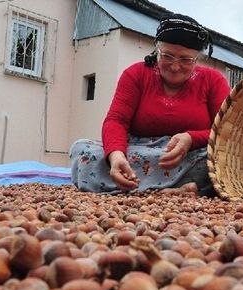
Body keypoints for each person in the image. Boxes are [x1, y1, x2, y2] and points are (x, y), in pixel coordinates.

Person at [69, 13, 231, 195]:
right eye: (168, 56)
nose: (175, 66)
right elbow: (116, 121)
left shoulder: (213, 80)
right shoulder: (135, 74)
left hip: (189, 155)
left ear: (197, 59)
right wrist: (116, 156)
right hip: (138, 150)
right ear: (157, 51)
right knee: (83, 150)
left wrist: (191, 139)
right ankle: (178, 189)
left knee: (218, 162)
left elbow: (225, 132)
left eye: (185, 59)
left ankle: (138, 189)